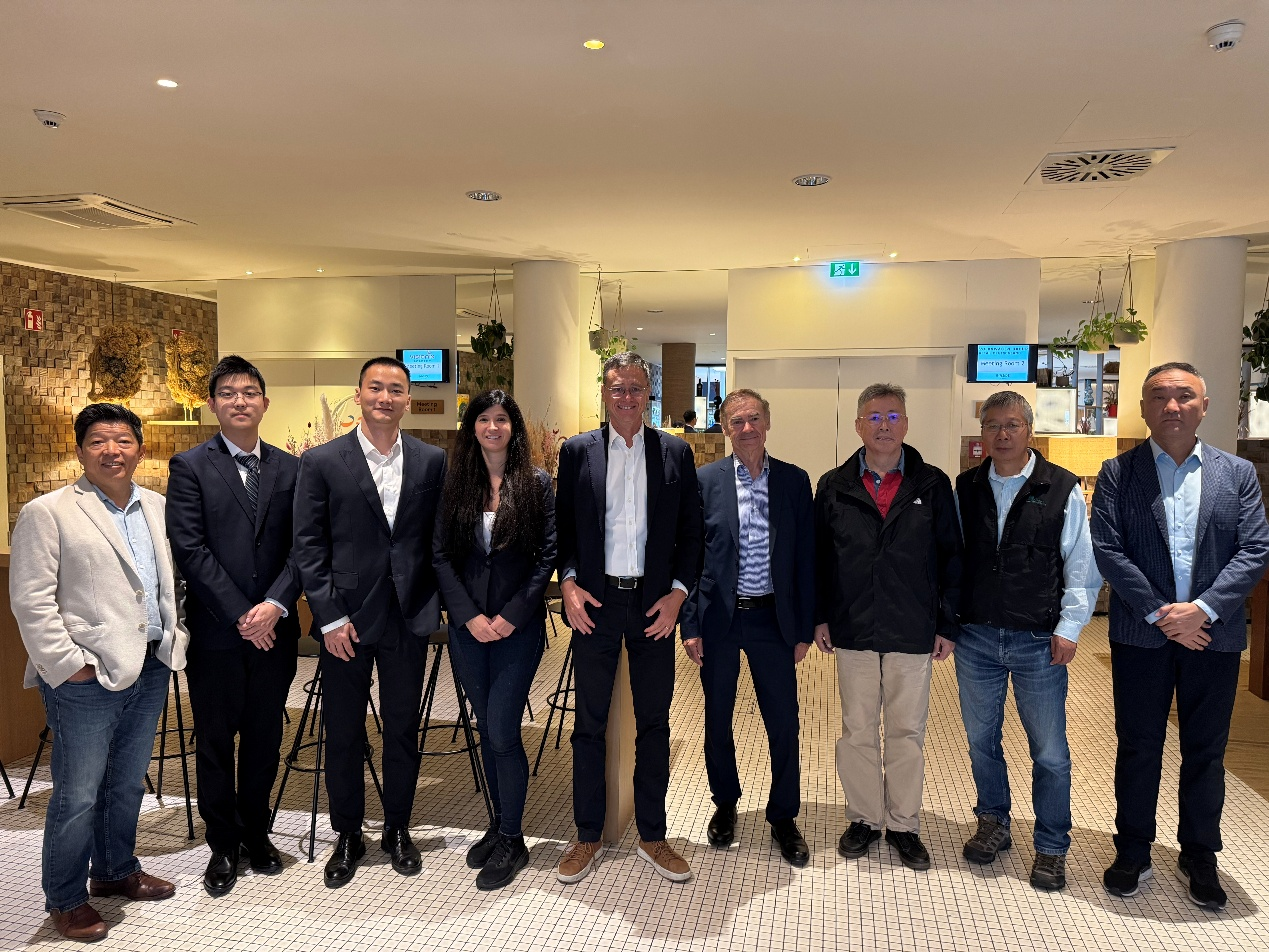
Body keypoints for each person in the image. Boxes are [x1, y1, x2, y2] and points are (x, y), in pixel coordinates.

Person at [1091, 361, 1269, 911]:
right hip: (1141, 636)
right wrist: (1162, 615)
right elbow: (1108, 549)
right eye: (1159, 396)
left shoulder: (1237, 473)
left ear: (1204, 406)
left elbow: (1255, 550)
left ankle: (1199, 854)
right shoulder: (1118, 473)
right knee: (1138, 746)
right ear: (1143, 407)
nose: (1172, 406)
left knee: (1206, 750)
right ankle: (1133, 848)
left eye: (1184, 396)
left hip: (1214, 637)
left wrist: (1203, 611)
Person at [10, 403, 189, 942]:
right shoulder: (48, 511)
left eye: (123, 441)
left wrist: (175, 637)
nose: (112, 451)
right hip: (85, 676)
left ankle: (114, 870)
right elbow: (31, 601)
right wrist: (69, 666)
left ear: (140, 448)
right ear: (80, 450)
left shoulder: (157, 505)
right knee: (78, 793)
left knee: (127, 781)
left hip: (150, 664)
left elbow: (168, 583)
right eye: (98, 442)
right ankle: (65, 898)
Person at [293, 356, 448, 888]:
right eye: (375, 388)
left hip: (407, 615)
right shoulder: (321, 461)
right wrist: (328, 616)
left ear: (408, 399)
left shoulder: (432, 460)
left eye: (396, 389)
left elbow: (437, 540)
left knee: (403, 728)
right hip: (346, 622)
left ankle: (398, 828)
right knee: (342, 731)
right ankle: (348, 834)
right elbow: (308, 545)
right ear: (358, 395)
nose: (385, 397)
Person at [554, 351, 704, 884]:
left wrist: (678, 595)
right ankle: (587, 834)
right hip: (595, 605)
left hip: (653, 606)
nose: (626, 397)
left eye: (636, 388)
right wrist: (568, 583)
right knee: (589, 724)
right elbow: (563, 531)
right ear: (605, 393)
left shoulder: (674, 453)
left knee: (654, 723)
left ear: (649, 395)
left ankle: (652, 835)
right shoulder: (577, 452)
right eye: (617, 388)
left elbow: (692, 533)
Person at [953, 390, 1101, 891]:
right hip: (976, 636)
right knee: (981, 740)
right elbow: (954, 560)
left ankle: (1052, 845)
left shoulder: (1060, 487)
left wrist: (1069, 628)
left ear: (1029, 431)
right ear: (983, 433)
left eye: (1012, 424)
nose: (1002, 434)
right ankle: (993, 820)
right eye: (992, 425)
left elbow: (1081, 563)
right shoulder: (966, 487)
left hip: (1038, 639)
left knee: (1050, 750)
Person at [166, 356, 302, 896]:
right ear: (212, 404)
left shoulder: (292, 468)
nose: (239, 401)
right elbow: (190, 548)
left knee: (266, 736)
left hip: (276, 630)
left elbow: (303, 547)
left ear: (265, 403)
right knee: (216, 741)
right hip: (218, 633)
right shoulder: (190, 466)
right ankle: (222, 844)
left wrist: (275, 604)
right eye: (227, 393)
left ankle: (257, 834)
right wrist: (243, 614)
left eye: (249, 392)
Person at [813, 382, 961, 871]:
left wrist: (946, 623)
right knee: (857, 730)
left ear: (906, 424)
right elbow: (819, 558)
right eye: (874, 417)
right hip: (853, 626)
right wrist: (820, 616)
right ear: (858, 425)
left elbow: (952, 558)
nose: (884, 425)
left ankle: (902, 824)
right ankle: (863, 818)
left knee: (906, 731)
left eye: (893, 416)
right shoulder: (833, 485)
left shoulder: (932, 484)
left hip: (912, 628)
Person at [681, 389, 815, 867]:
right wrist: (690, 623)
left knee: (783, 721)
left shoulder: (794, 481)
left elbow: (805, 558)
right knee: (717, 716)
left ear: (767, 422)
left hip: (772, 619)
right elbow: (690, 557)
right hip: (719, 618)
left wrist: (803, 627)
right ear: (725, 429)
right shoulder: (705, 481)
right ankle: (725, 803)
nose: (746, 428)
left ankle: (783, 815)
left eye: (754, 418)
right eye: (736, 421)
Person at [433, 390, 556, 890]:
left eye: (501, 418)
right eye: (483, 418)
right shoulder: (456, 483)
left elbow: (547, 556)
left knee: (503, 730)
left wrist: (509, 616)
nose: (492, 427)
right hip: (468, 631)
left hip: (516, 630)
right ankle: (498, 823)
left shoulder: (536, 483)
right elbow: (440, 556)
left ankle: (513, 838)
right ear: (472, 428)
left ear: (513, 426)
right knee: (487, 728)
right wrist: (467, 617)